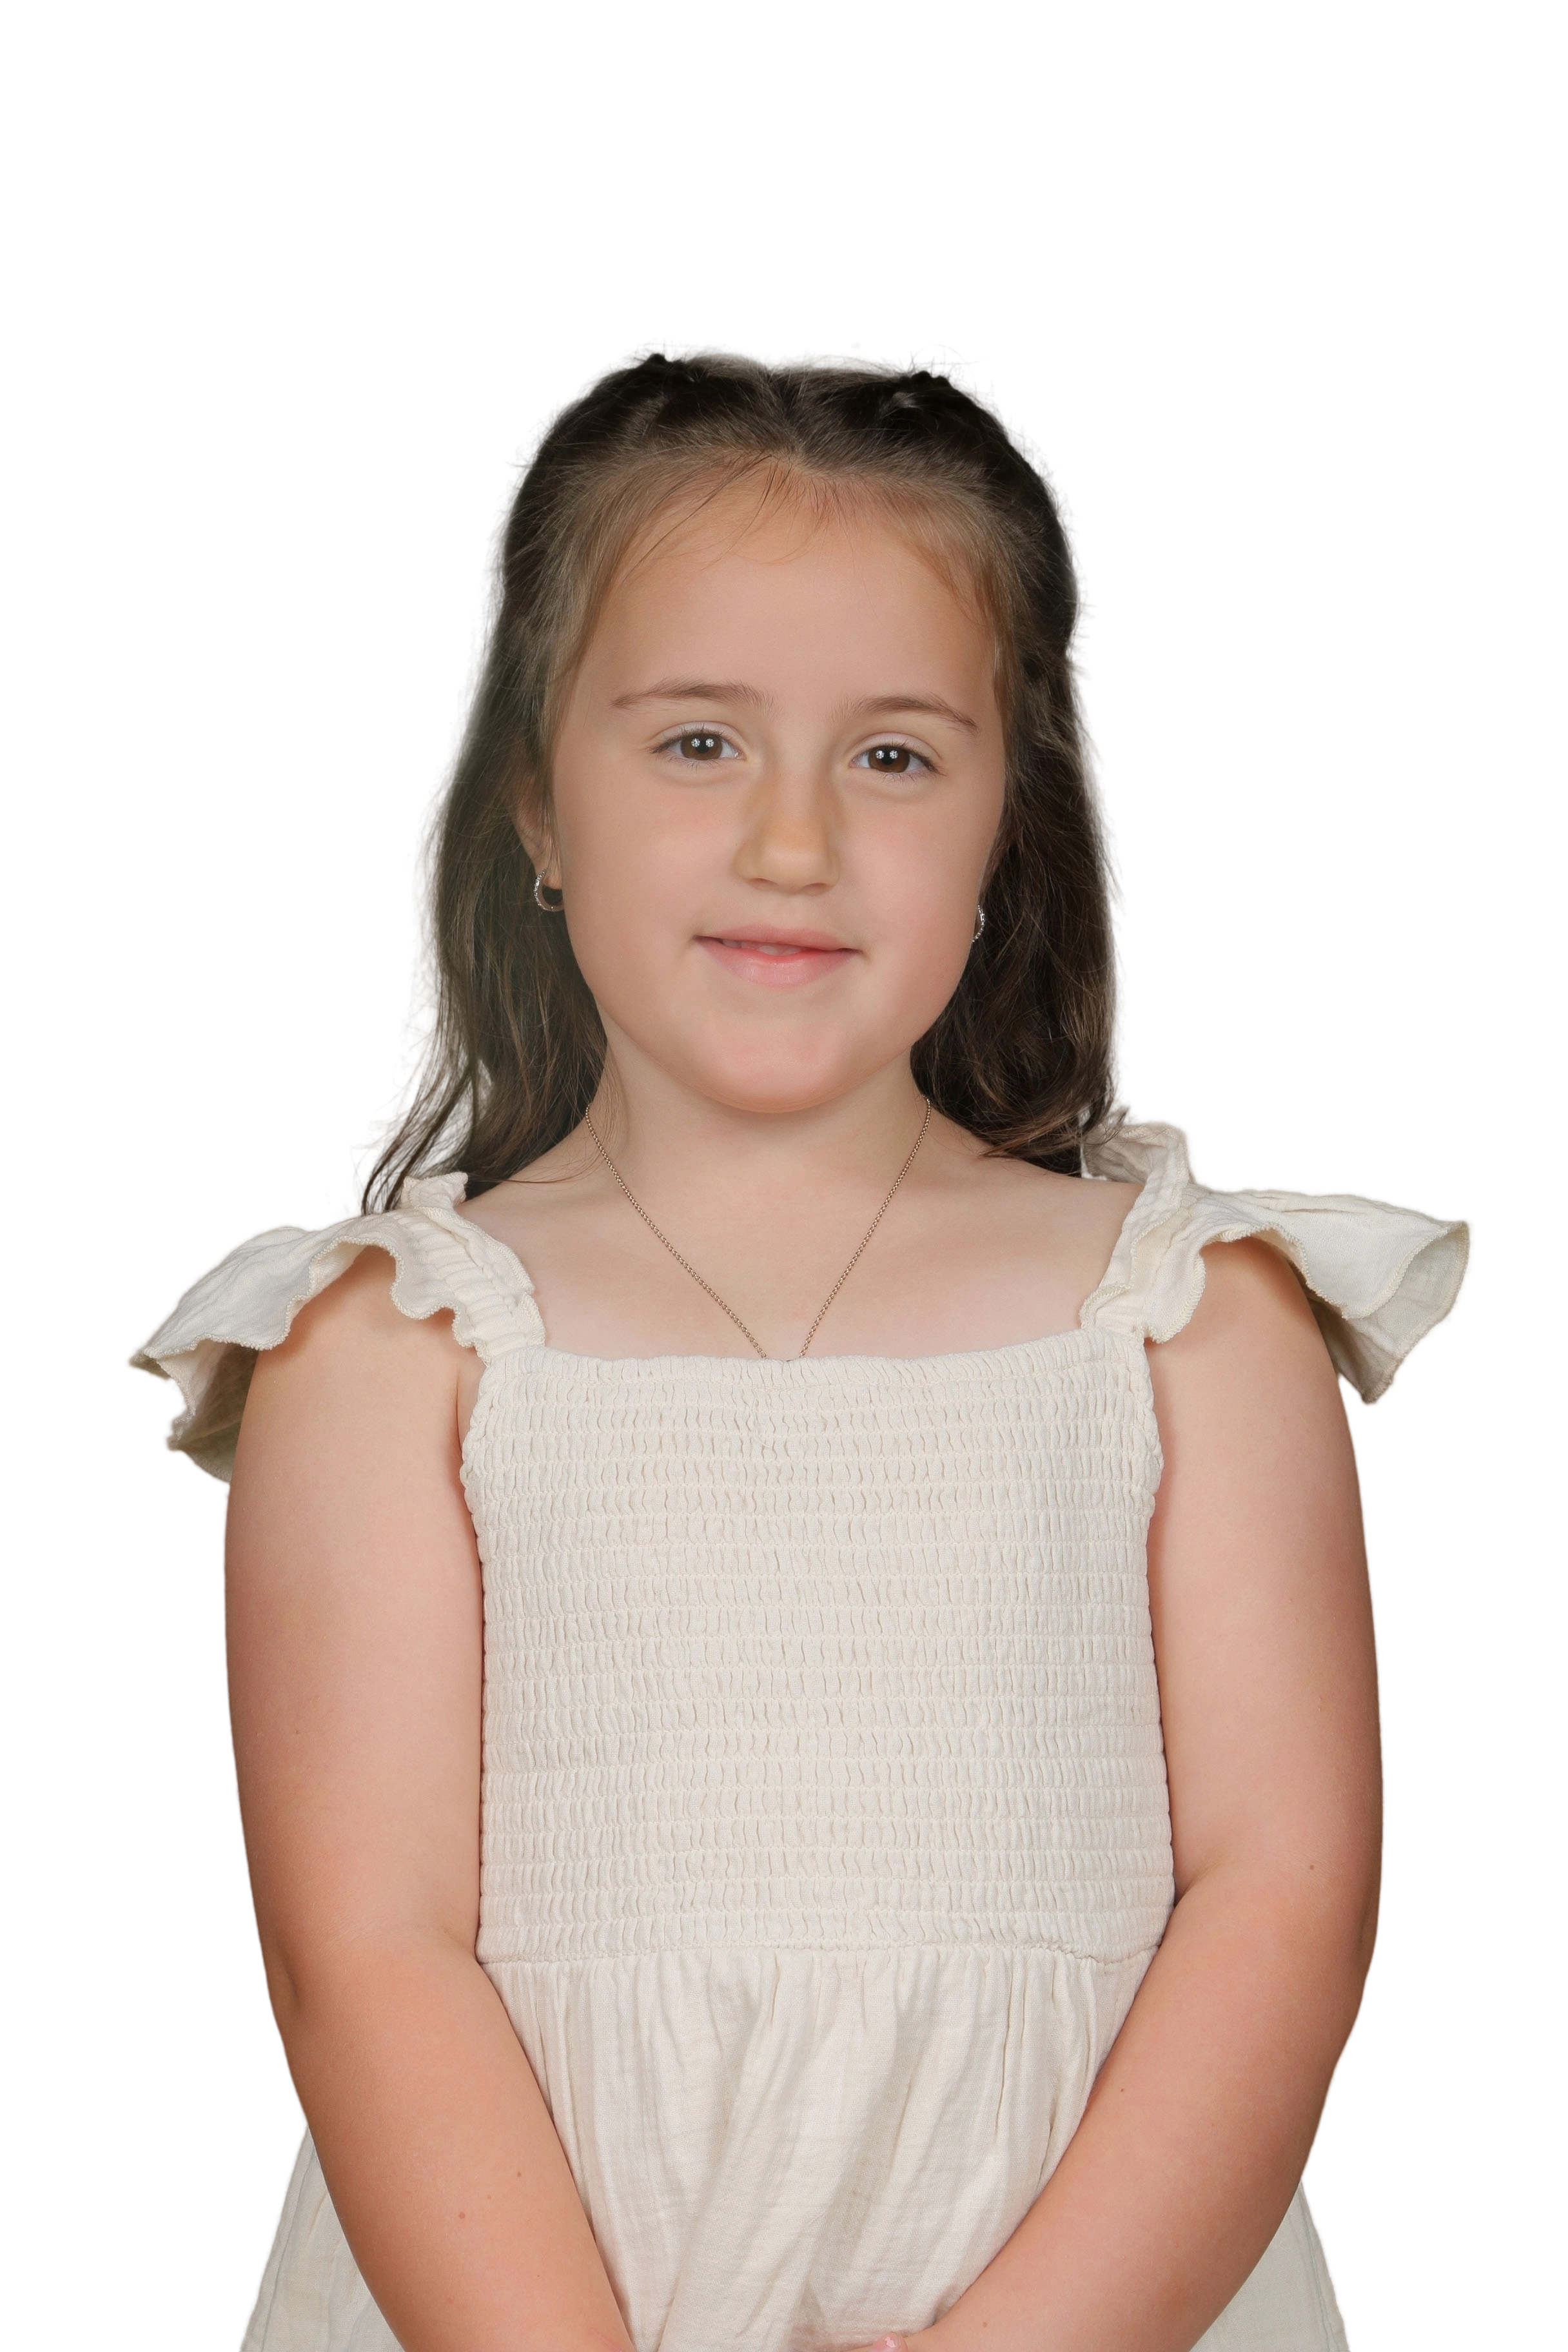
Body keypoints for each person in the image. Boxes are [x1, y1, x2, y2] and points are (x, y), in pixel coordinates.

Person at [127, 338, 1475, 2352]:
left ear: (1010, 819)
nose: (791, 841)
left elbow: (1284, 1902)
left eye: (896, 756)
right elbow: (368, 1958)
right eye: (698, 742)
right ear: (536, 803)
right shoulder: (392, 1348)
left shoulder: (1190, 1320)